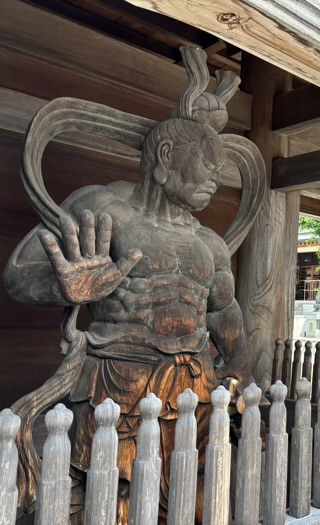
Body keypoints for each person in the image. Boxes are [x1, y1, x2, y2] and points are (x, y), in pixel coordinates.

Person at [4, 47, 260, 523]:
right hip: (115, 387)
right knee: (109, 501)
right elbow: (18, 277)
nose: (213, 181)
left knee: (193, 497)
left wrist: (241, 369)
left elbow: (228, 321)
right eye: (206, 166)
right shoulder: (107, 209)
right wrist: (67, 290)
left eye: (220, 174)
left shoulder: (209, 244)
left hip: (196, 387)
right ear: (166, 155)